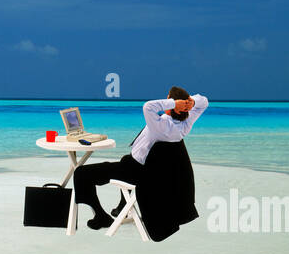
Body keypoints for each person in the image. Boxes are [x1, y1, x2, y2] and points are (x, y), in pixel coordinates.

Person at [72, 87, 209, 241]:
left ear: (172, 103)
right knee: (125, 159)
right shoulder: (185, 123)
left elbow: (148, 106)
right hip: (147, 170)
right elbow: (204, 102)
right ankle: (122, 205)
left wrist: (173, 103)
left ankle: (100, 216)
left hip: (134, 171)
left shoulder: (161, 126)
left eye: (169, 99)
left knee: (81, 173)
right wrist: (192, 102)